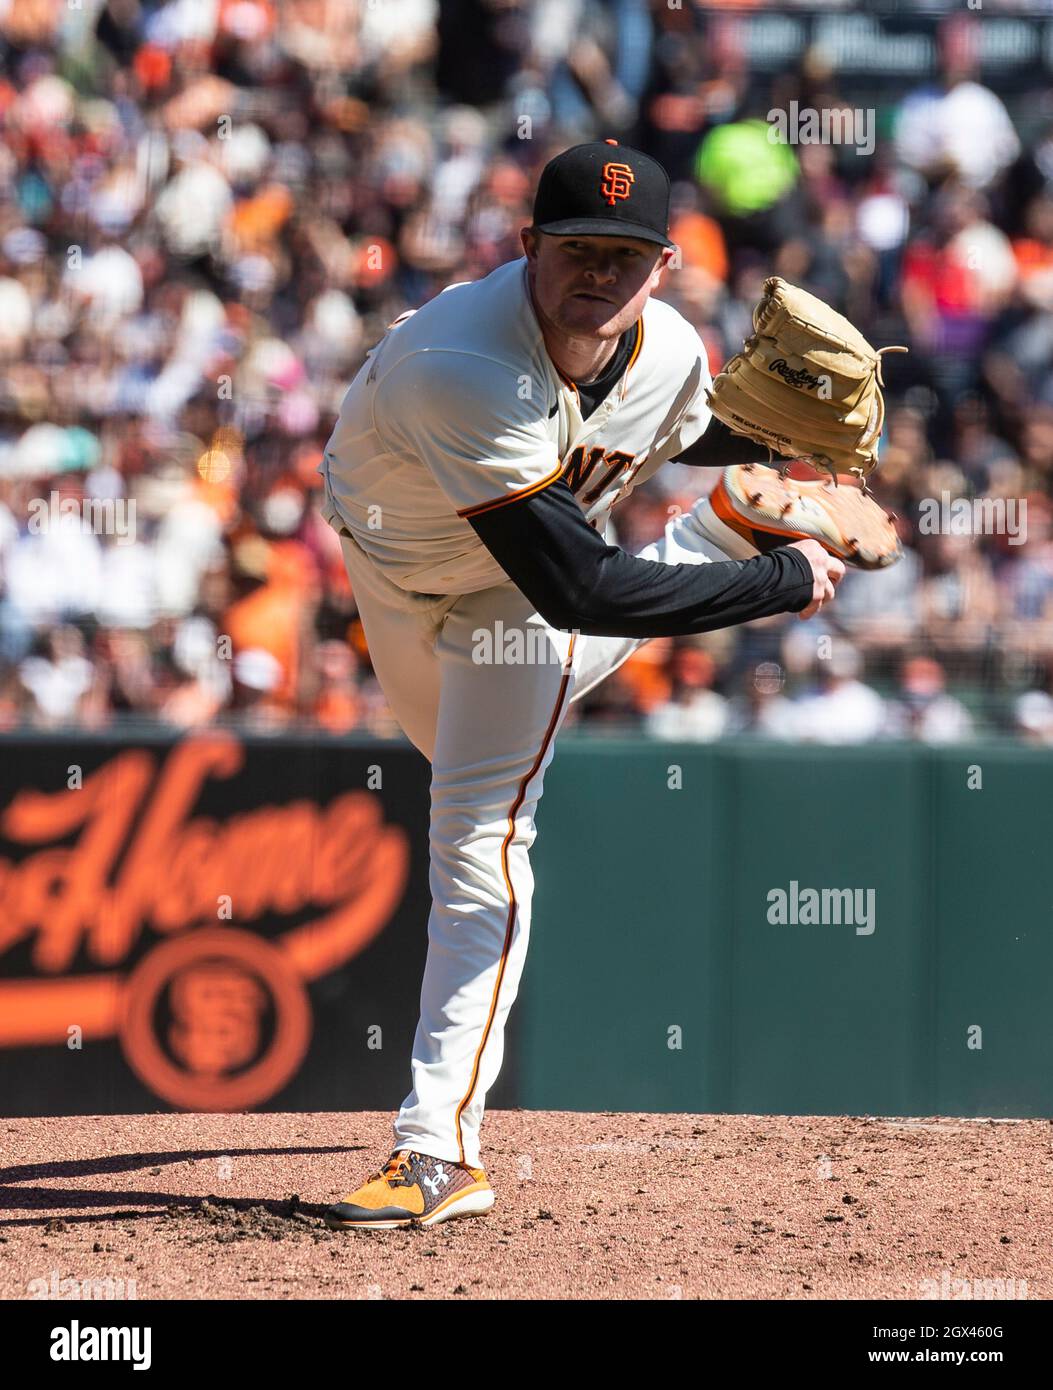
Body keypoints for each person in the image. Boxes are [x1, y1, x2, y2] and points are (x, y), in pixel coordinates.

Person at [318, 140, 858, 1229]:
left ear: (663, 265)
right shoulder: (464, 361)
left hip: (508, 600)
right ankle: (717, 537)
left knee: (479, 834)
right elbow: (582, 588)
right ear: (529, 249)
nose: (599, 274)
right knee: (462, 737)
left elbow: (678, 429)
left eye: (625, 254)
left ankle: (439, 1150)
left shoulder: (670, 354)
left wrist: (773, 440)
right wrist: (775, 574)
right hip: (407, 572)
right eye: (577, 250)